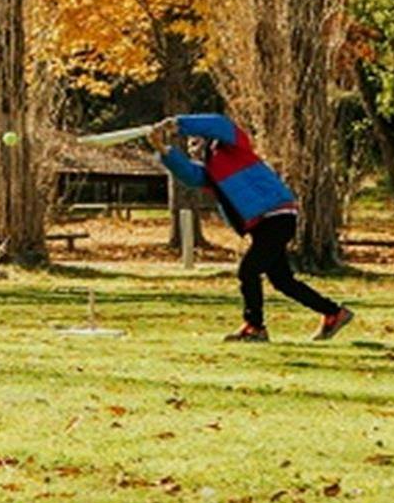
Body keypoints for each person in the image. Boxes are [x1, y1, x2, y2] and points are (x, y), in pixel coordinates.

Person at [149, 114, 354, 344]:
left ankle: (254, 327)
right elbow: (190, 175)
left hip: (276, 215)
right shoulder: (211, 174)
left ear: (208, 140)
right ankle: (334, 313)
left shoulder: (234, 148)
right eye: (189, 145)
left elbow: (220, 124)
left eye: (195, 141)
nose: (191, 147)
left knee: (248, 270)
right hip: (264, 225)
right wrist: (162, 149)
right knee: (282, 280)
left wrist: (180, 124)